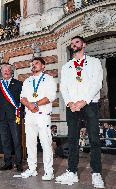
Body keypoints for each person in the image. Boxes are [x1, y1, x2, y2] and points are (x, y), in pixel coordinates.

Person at [57, 36, 104, 188]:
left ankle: (96, 173)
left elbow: (97, 84)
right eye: (72, 44)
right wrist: (70, 102)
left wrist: (83, 101)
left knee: (94, 140)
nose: (74, 45)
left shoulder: (94, 62)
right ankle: (72, 172)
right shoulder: (66, 66)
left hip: (89, 105)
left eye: (76, 42)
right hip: (72, 107)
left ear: (84, 44)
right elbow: (63, 87)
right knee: (72, 140)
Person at [17, 57, 57, 181]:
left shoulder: (49, 79)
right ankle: (32, 168)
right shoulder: (27, 80)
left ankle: (49, 171)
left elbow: (50, 96)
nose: (34, 65)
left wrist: (35, 104)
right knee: (30, 143)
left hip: (42, 115)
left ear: (43, 66)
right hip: (29, 115)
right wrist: (29, 105)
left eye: (37, 63)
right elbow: (22, 97)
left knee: (46, 143)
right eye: (32, 64)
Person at [0, 64, 23, 172]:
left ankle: (19, 163)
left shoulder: (18, 84)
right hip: (3, 117)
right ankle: (8, 163)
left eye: (8, 70)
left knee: (17, 141)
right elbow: (0, 102)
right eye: (4, 71)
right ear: (1, 73)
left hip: (14, 116)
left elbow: (22, 100)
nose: (6, 72)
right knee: (5, 141)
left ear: (11, 72)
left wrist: (21, 114)